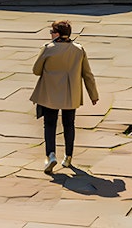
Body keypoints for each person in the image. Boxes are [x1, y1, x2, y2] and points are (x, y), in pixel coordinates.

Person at [30, 19, 98, 174]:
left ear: (57, 34)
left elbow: (36, 70)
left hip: (50, 93)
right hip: (71, 93)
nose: (50, 34)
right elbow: (87, 74)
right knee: (69, 125)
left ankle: (51, 155)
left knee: (50, 125)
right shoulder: (79, 50)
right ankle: (68, 157)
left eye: (52, 32)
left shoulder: (48, 49)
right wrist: (93, 94)